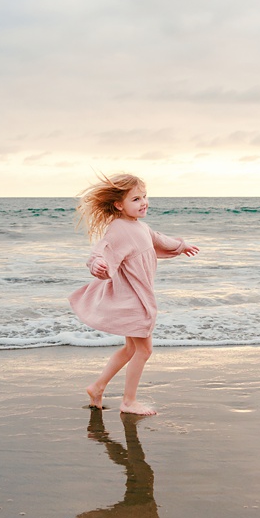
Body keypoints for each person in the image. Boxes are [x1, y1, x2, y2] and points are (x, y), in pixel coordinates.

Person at [69, 173, 199, 415]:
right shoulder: (118, 229)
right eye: (136, 199)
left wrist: (181, 247)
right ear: (119, 205)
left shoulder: (141, 226)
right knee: (144, 350)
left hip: (138, 297)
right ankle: (128, 402)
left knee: (131, 349)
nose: (144, 203)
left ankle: (97, 387)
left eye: (145, 197)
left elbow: (160, 240)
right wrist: (96, 264)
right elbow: (102, 250)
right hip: (134, 299)